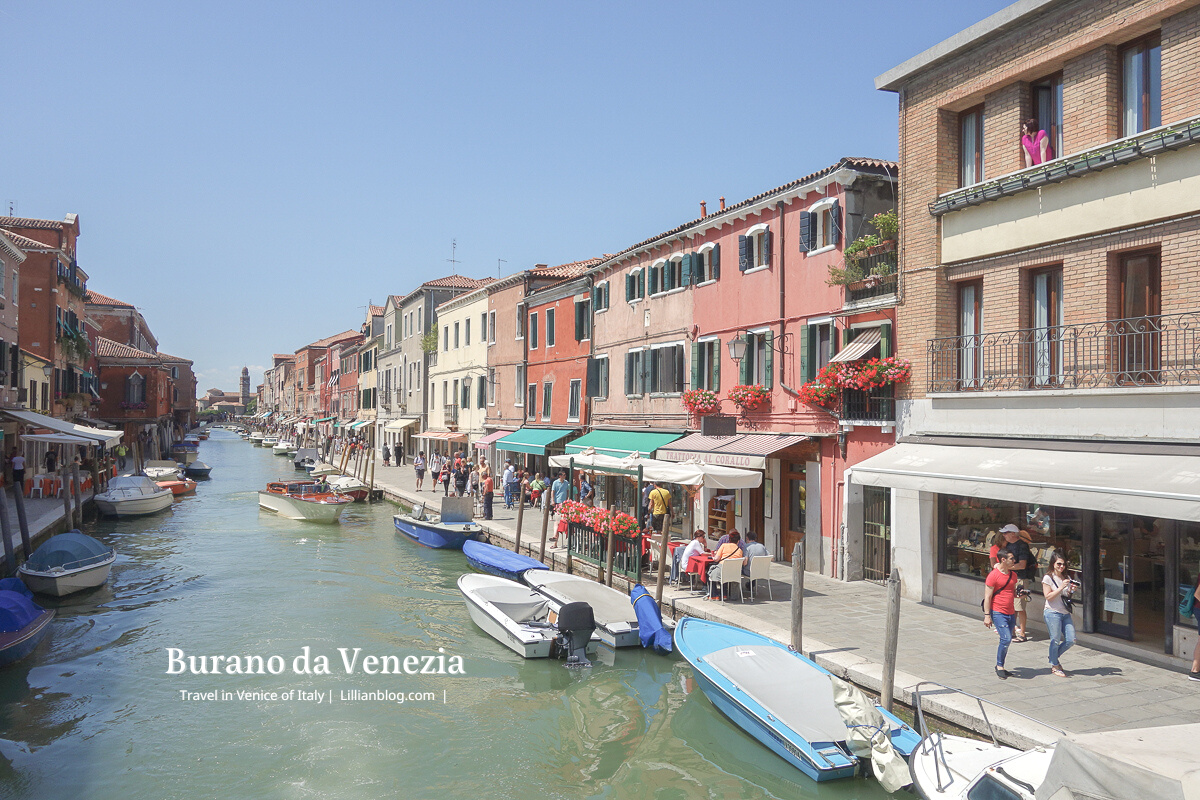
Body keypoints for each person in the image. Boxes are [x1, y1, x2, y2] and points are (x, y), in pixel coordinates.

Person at [984, 546, 1020, 679]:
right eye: (1011, 558)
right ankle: (999, 666)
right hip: (998, 611)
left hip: (1010, 612)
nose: (1014, 560)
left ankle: (1001, 665)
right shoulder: (993, 575)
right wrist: (987, 616)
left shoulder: (1013, 575)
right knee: (1006, 638)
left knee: (1007, 640)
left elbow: (1012, 592)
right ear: (1003, 560)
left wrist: (1019, 595)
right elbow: (987, 596)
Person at [998, 524, 1036, 642]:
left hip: (1020, 579)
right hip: (1011, 578)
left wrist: (1007, 568)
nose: (1004, 535)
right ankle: (1012, 631)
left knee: (1020, 607)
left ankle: (1023, 633)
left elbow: (1022, 565)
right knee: (1012, 606)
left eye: (1006, 533)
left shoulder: (1022, 546)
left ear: (1013, 534)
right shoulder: (1008, 545)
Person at [1042, 552, 1078, 677]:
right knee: (1055, 639)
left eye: (1063, 564)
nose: (1061, 567)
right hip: (1052, 612)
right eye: (1059, 564)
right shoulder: (1048, 578)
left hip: (1065, 612)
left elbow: (1065, 596)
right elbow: (1048, 596)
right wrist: (1061, 587)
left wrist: (1071, 590)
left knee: (1071, 640)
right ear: (1053, 564)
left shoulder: (1066, 576)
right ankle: (1055, 665)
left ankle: (1053, 656)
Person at [708, 531, 743, 598]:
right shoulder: (740, 550)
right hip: (734, 573)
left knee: (710, 571)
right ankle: (724, 594)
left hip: (722, 570)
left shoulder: (724, 546)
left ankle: (714, 595)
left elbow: (716, 559)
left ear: (729, 539)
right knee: (725, 573)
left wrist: (714, 557)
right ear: (738, 541)